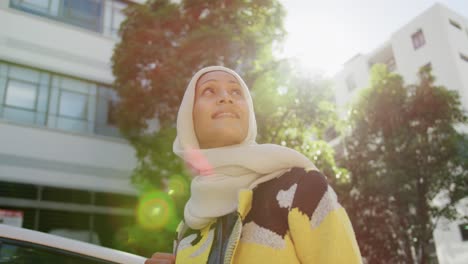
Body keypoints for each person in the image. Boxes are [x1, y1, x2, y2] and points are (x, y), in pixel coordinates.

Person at [145, 66, 362, 264]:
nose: (226, 98)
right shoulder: (188, 229)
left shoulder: (302, 189)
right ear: (187, 118)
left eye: (236, 92)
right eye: (209, 91)